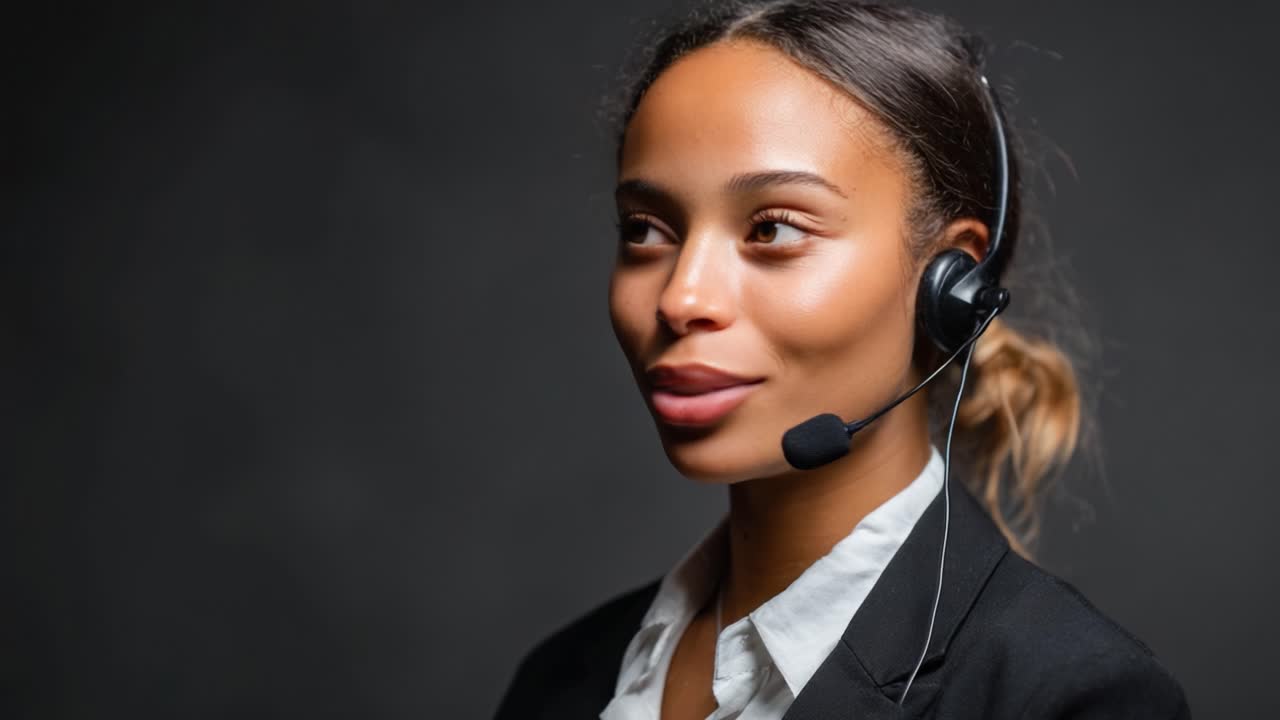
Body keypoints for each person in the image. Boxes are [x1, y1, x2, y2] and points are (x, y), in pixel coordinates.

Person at [495, 1, 1190, 718]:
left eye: (772, 228)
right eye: (646, 230)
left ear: (948, 284)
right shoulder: (559, 680)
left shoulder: (1071, 700)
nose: (680, 297)